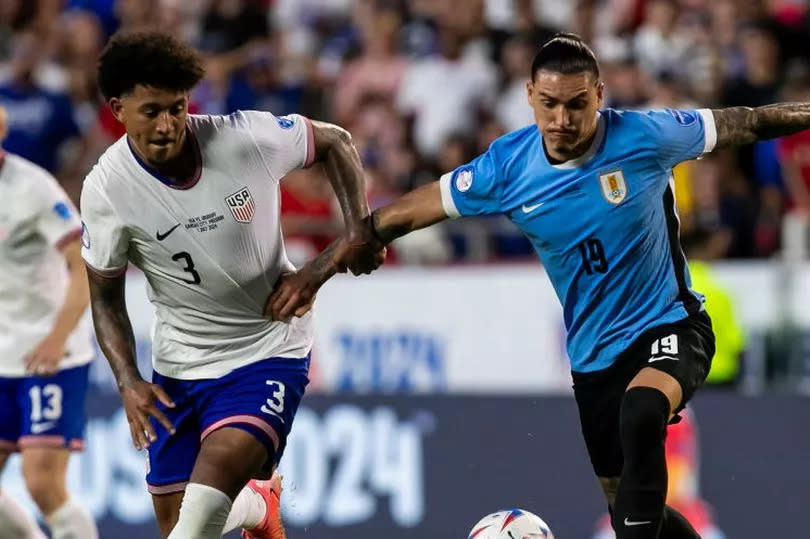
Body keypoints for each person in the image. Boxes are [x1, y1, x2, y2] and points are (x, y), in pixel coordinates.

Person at [271, 33, 810, 538]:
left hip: (671, 325)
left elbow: (749, 121)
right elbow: (406, 213)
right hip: (594, 359)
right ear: (529, 96)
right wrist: (317, 272)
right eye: (549, 103)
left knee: (642, 413)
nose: (562, 118)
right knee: (631, 516)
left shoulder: (646, 137)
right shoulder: (508, 167)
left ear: (599, 95)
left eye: (577, 103)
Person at [80, 32, 382, 539]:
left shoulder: (244, 138)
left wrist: (355, 230)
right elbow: (105, 297)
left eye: (177, 108)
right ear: (118, 109)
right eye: (152, 111)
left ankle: (249, 503)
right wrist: (129, 380)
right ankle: (258, 508)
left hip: (267, 350)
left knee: (197, 522)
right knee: (178, 523)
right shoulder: (107, 189)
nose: (168, 124)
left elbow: (336, 141)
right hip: (178, 367)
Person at [0, 105, 98, 539]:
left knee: (42, 482)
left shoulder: (32, 187)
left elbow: (83, 266)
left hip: (50, 353)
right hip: (2, 352)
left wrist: (57, 339)